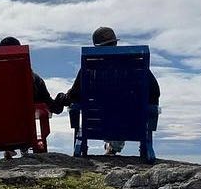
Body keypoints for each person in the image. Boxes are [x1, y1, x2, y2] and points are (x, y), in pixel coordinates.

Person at [58, 26, 160, 155]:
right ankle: (114, 147)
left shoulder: (90, 66)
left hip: (98, 123)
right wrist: (148, 108)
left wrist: (65, 98)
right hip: (131, 123)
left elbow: (75, 95)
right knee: (122, 108)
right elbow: (155, 91)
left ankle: (108, 146)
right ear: (116, 42)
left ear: (96, 46)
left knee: (108, 107)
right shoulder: (135, 64)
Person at [0, 36, 64, 159]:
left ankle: (9, 145)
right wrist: (62, 99)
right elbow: (50, 105)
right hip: (26, 132)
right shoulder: (34, 79)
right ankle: (22, 145)